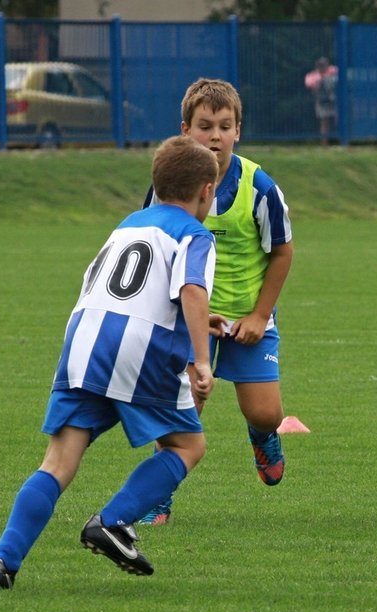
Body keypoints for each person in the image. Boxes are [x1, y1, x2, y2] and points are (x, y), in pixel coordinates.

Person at [0, 136, 221, 589]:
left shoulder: (127, 223)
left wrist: (202, 321)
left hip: (84, 343)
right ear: (207, 190)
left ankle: (2, 561)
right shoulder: (195, 234)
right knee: (187, 446)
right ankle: (113, 521)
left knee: (57, 462)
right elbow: (192, 289)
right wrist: (202, 360)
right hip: (137, 349)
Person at [138, 78, 294, 525]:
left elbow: (282, 250)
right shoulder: (168, 185)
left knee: (266, 412)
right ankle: (157, 498)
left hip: (248, 320)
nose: (215, 136)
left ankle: (262, 437)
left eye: (225, 126)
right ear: (185, 130)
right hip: (190, 319)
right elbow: (156, 247)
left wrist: (261, 314)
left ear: (238, 131)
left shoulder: (260, 187)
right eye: (205, 126)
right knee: (182, 408)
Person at [304, 57, 337, 146]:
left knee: (338, 119)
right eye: (320, 65)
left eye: (324, 65)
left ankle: (339, 140)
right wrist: (320, 81)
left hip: (335, 100)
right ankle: (324, 143)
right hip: (322, 101)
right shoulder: (312, 76)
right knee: (324, 121)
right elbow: (310, 86)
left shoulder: (333, 71)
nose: (323, 67)